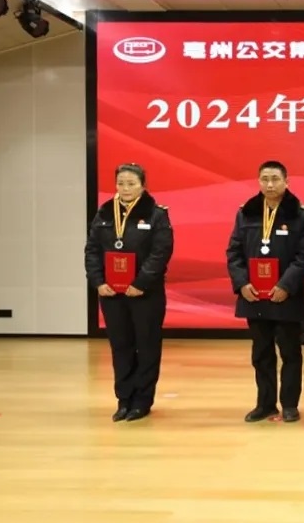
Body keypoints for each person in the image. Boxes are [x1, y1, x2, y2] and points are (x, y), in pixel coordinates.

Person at [225, 160, 304, 424]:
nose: (270, 184)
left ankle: (289, 404)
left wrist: (285, 286)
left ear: (286, 182)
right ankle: (265, 404)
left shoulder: (301, 215)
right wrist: (242, 283)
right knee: (261, 353)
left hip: (286, 296)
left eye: (275, 179)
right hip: (254, 296)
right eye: (265, 179)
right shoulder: (246, 213)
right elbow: (234, 252)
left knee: (290, 352)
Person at [84, 163, 174, 423]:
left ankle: (142, 401)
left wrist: (140, 283)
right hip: (111, 293)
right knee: (120, 346)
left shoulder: (156, 214)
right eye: (121, 183)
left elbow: (161, 253)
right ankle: (124, 399)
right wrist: (98, 282)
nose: (125, 188)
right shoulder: (104, 212)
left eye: (131, 184)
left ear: (143, 186)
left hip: (145, 293)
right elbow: (92, 251)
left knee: (146, 346)